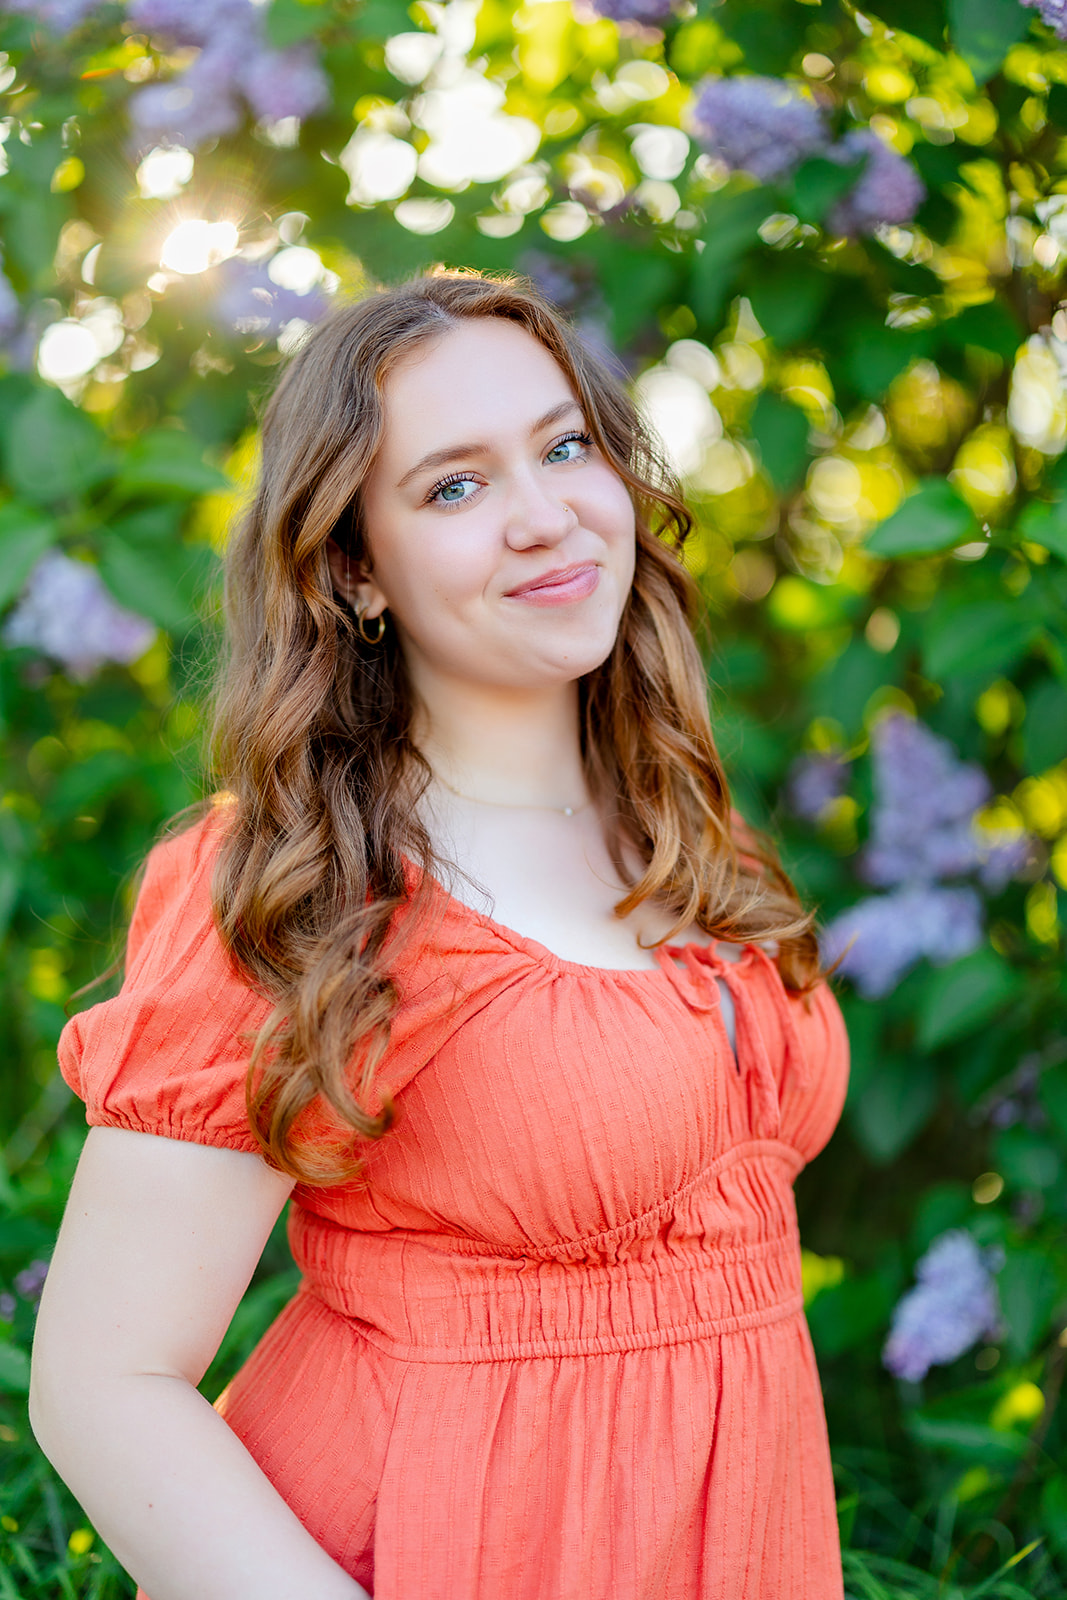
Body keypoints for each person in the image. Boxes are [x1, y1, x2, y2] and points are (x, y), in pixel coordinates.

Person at [29, 269, 850, 1600]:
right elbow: (99, 1380)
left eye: (564, 447)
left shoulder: (688, 833)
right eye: (455, 488)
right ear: (355, 569)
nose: (545, 519)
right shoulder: (297, 887)